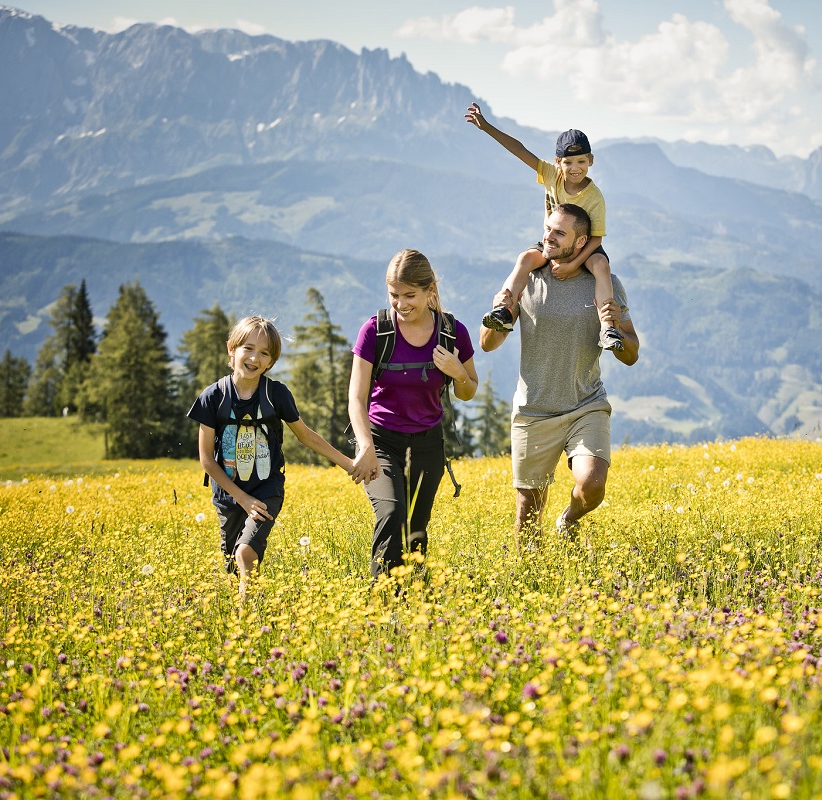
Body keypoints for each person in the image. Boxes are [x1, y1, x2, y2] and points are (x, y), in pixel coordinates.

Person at [478, 203, 639, 546]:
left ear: (581, 242)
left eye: (559, 233)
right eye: (548, 229)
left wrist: (619, 335)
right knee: (528, 516)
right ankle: (530, 583)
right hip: (533, 410)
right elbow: (488, 344)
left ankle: (568, 519)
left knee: (593, 483)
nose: (547, 237)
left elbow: (631, 354)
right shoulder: (528, 278)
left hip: (585, 404)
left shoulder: (604, 283)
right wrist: (498, 310)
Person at [188, 315, 370, 602]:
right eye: (248, 348)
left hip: (266, 489)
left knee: (245, 551)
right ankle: (251, 609)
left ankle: (245, 614)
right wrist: (241, 499)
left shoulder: (276, 395)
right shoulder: (213, 397)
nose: (254, 357)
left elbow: (306, 436)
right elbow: (207, 461)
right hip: (228, 494)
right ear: (231, 350)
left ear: (271, 362)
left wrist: (350, 464)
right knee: (233, 562)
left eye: (264, 353)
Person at [349, 249, 479, 581]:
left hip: (428, 446)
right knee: (392, 515)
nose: (401, 303)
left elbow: (468, 391)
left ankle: (414, 606)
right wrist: (364, 446)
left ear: (429, 291)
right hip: (381, 443)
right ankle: (382, 603)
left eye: (410, 295)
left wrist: (456, 371)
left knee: (416, 532)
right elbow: (356, 397)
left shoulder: (452, 332)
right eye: (394, 295)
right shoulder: (375, 331)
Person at [464, 102, 624, 352]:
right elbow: (519, 149)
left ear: (590, 160)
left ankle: (607, 326)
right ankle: (504, 310)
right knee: (525, 258)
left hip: (584, 248)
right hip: (552, 244)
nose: (575, 168)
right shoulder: (551, 175)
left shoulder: (594, 196)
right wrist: (486, 128)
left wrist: (573, 264)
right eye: (568, 163)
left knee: (602, 266)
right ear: (557, 162)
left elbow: (596, 239)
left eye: (581, 161)